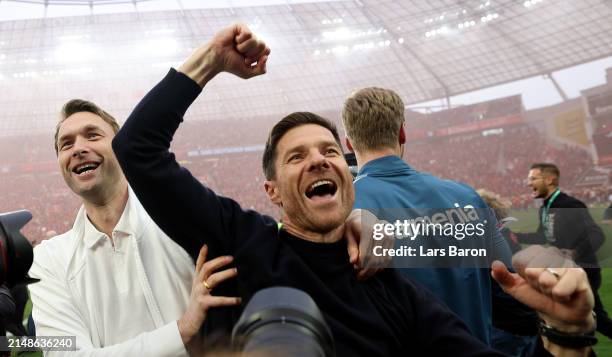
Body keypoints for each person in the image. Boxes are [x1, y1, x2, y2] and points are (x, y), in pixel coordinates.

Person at [113, 23, 598, 356]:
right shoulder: (243, 241)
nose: (319, 159)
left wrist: (568, 333)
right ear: (273, 191)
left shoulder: (391, 288)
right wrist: (212, 61)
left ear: (347, 170)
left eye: (328, 150)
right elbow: (137, 148)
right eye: (296, 156)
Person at [27, 99, 241, 356]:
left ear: (121, 148)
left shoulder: (180, 219)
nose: (78, 149)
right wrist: (182, 330)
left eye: (92, 136)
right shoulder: (47, 259)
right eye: (66, 144)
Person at [341, 87, 512, 345]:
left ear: (349, 144)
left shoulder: (345, 210)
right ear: (402, 133)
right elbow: (510, 291)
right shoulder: (467, 197)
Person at [517, 162, 611, 338]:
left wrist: (574, 252)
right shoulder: (545, 208)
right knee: (578, 323)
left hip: (584, 270)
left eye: (533, 178)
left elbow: (596, 234)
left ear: (550, 179)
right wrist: (516, 236)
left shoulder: (570, 204)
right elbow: (542, 236)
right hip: (563, 271)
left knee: (589, 321)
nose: (529, 183)